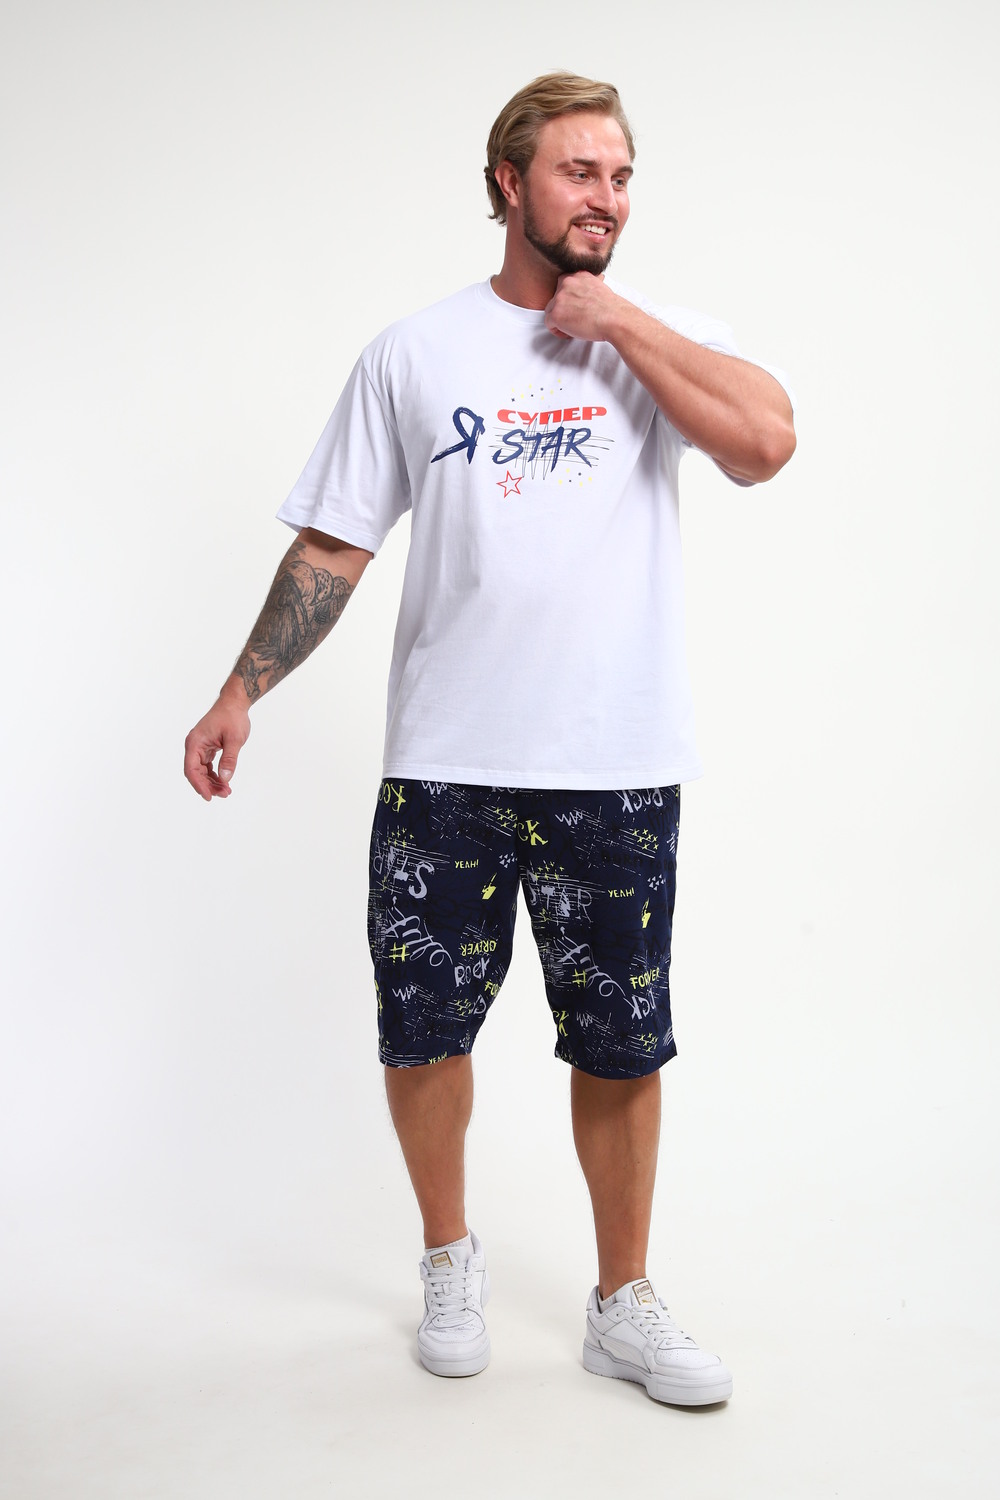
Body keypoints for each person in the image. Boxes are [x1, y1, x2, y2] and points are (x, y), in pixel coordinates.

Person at [184, 71, 795, 1407]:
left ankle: (622, 1302)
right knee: (422, 1027)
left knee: (621, 1042)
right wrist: (242, 689)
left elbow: (764, 444)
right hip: (446, 761)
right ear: (508, 183)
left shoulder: (663, 337)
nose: (604, 198)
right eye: (579, 172)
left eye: (620, 176)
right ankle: (448, 1257)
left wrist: (617, 322)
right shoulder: (415, 353)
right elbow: (336, 543)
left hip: (613, 761)